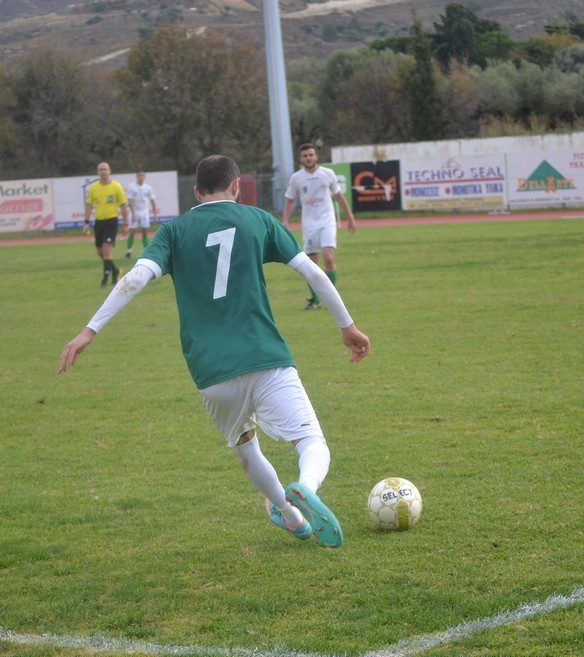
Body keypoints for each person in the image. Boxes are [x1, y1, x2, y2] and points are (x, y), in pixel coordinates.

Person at [59, 154, 370, 548]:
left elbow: (135, 278)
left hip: (211, 371)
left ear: (196, 191)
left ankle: (290, 515)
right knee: (311, 441)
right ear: (237, 186)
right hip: (264, 356)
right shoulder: (257, 219)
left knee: (246, 447)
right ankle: (306, 487)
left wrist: (89, 331)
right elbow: (313, 272)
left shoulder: (174, 231)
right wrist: (347, 326)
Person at [282, 143, 357, 310]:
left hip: (327, 222)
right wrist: (285, 220)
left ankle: (331, 297)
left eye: (311, 155)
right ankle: (315, 300)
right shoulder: (296, 178)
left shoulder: (327, 173)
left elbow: (339, 196)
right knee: (311, 264)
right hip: (309, 225)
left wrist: (350, 217)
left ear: (316, 156)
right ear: (301, 159)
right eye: (305, 156)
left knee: (328, 257)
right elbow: (290, 200)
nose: (308, 158)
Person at [84, 161, 128, 287]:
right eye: (101, 169)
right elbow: (89, 205)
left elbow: (123, 205)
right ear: (98, 172)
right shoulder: (93, 188)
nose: (103, 171)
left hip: (111, 221)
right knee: (100, 251)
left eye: (105, 169)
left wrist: (126, 223)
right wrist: (86, 222)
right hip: (99, 222)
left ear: (110, 171)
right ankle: (115, 271)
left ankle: (105, 278)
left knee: (107, 248)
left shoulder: (116, 186)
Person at [125, 170, 158, 259]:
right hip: (135, 212)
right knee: (132, 232)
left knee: (145, 232)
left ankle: (147, 253)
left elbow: (152, 201)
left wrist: (155, 215)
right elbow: (129, 201)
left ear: (144, 177)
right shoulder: (132, 187)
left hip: (144, 213)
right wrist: (133, 213)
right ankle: (128, 251)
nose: (141, 177)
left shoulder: (148, 188)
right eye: (139, 175)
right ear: (136, 176)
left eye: (142, 175)